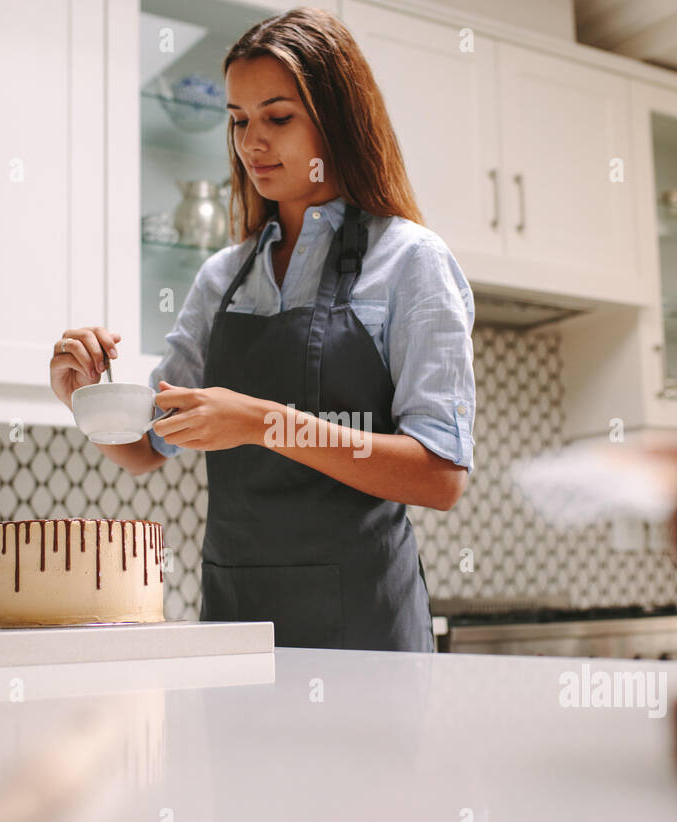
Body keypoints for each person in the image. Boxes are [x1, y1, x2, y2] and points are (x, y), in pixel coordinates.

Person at [50, 7, 475, 652]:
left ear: (337, 121)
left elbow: (440, 476)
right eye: (239, 120)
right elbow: (145, 448)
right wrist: (82, 395)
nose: (252, 142)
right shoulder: (222, 275)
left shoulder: (411, 261)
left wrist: (260, 423)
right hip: (234, 626)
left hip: (362, 632)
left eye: (279, 117)